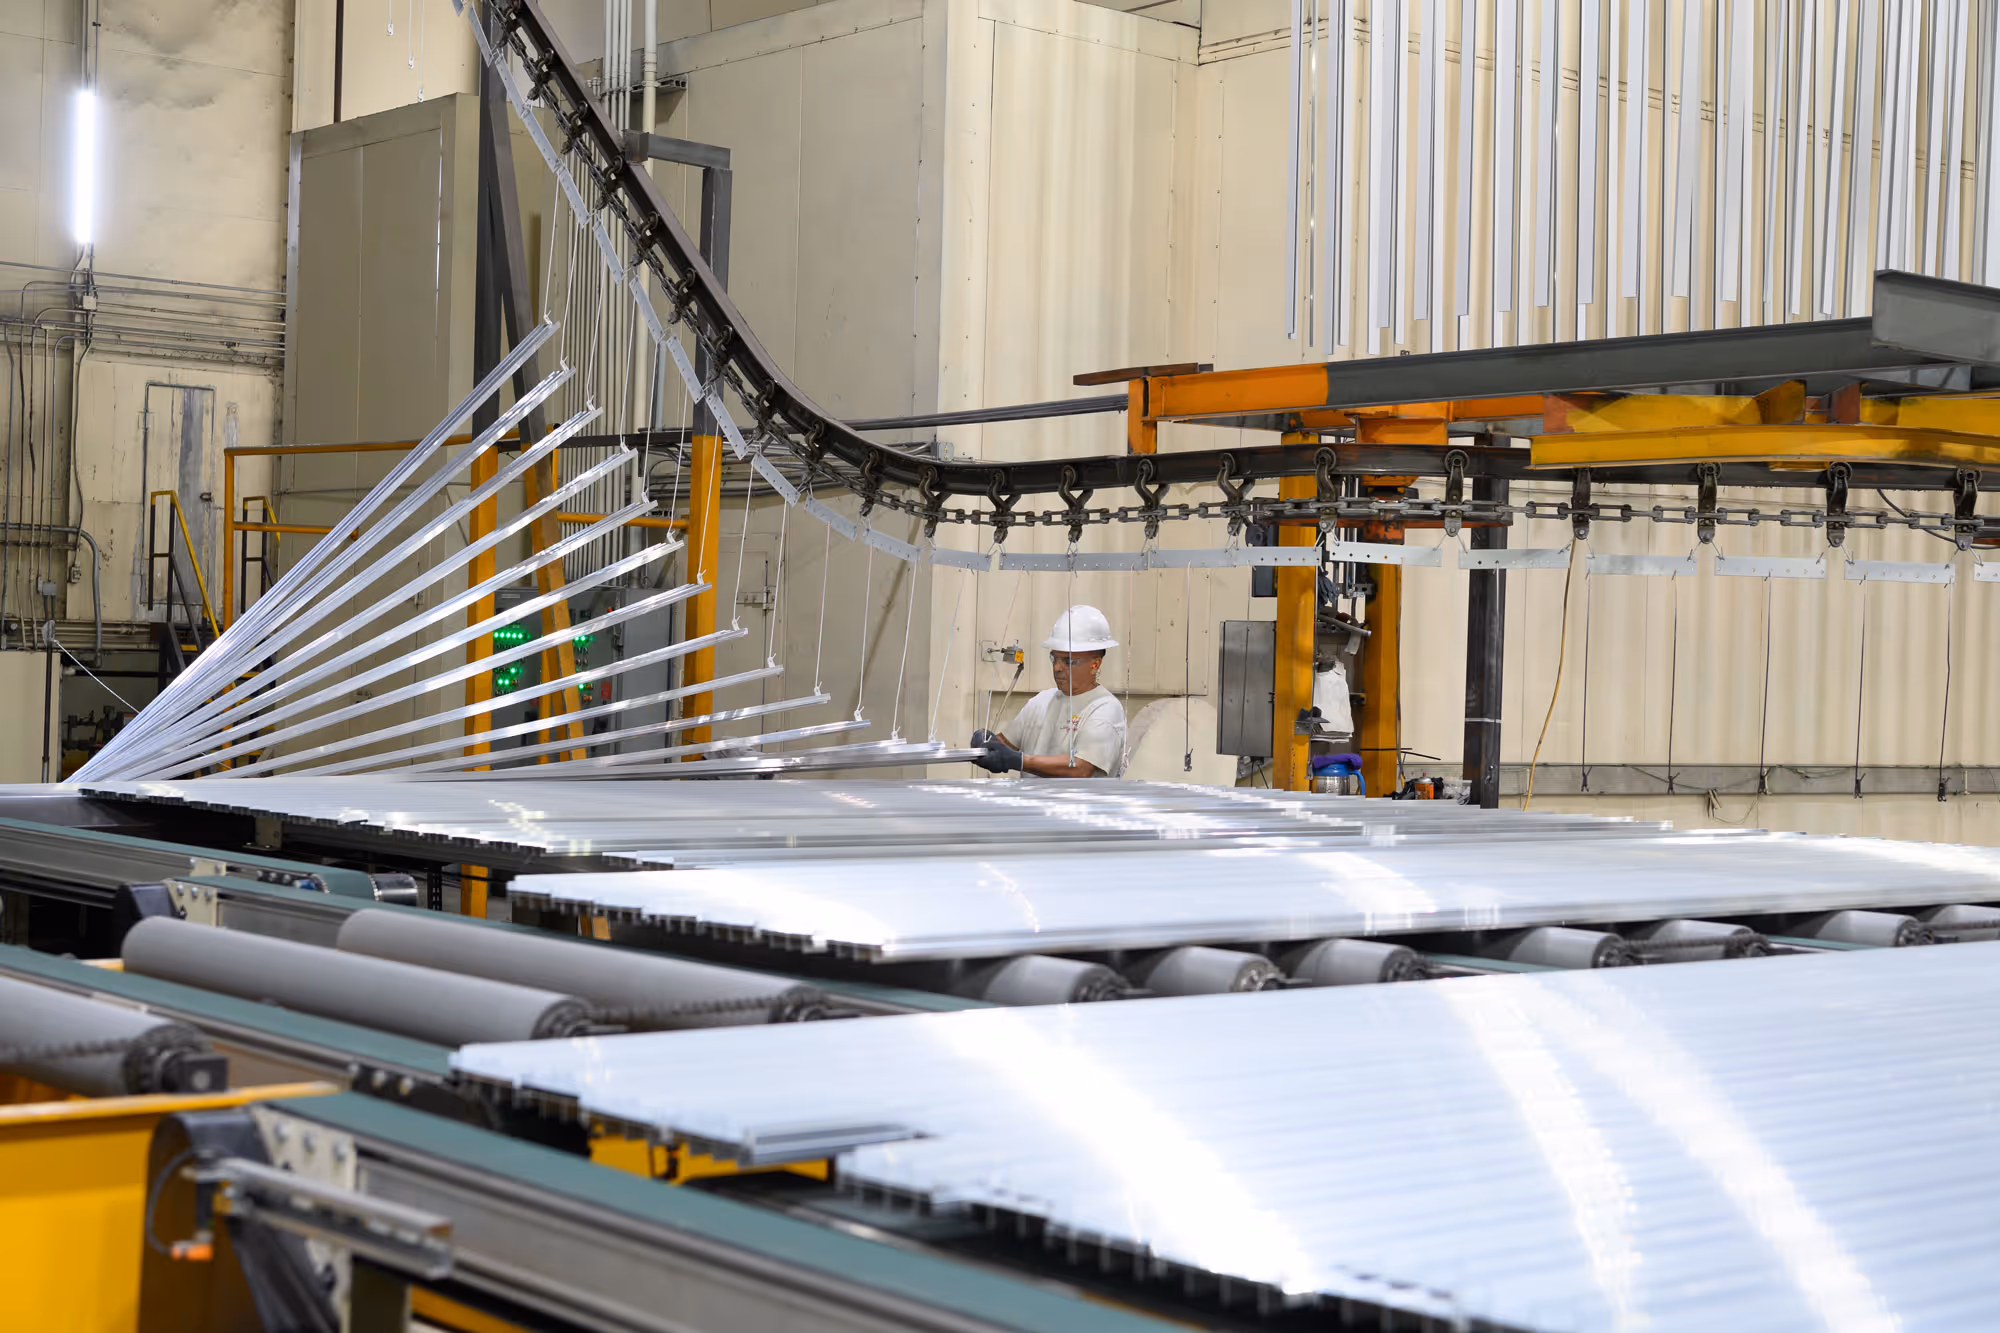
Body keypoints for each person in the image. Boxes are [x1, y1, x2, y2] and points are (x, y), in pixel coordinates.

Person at [971, 605, 1127, 778]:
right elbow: (1005, 745)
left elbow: (1081, 768)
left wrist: (1018, 761)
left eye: (1068, 661)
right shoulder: (1040, 702)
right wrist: (986, 744)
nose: (1057, 667)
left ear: (1095, 664)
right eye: (1054, 658)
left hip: (1077, 805)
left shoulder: (1105, 709)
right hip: (1031, 804)